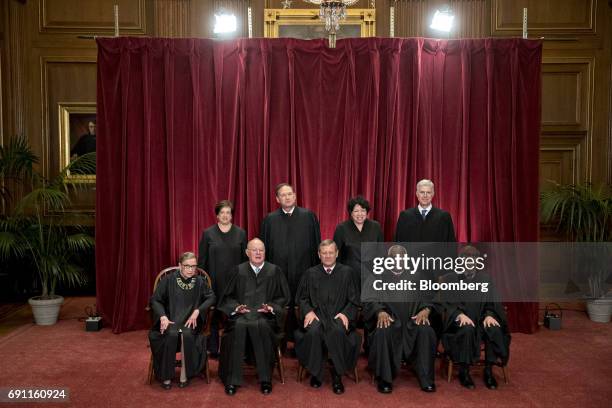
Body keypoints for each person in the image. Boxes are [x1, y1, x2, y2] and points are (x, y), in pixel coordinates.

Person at [218, 238, 290, 396]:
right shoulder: (238, 270)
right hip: (241, 317)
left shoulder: (274, 271)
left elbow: (283, 298)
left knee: (263, 326)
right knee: (238, 327)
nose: (258, 253)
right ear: (247, 252)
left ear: (265, 252)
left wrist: (271, 307)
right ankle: (232, 379)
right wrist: (236, 308)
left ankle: (266, 379)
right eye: (254, 250)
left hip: (264, 318)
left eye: (261, 250)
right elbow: (227, 297)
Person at [364, 245, 439, 394]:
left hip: (412, 322)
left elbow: (429, 297)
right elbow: (369, 300)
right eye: (394, 259)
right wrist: (379, 311)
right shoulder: (377, 276)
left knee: (427, 331)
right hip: (390, 321)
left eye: (401, 259)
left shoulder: (416, 276)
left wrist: (426, 310)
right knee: (382, 331)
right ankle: (385, 379)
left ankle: (426, 379)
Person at [294, 240, 361, 394]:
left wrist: (345, 313)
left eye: (331, 252)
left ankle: (337, 375)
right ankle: (316, 373)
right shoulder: (310, 273)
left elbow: (354, 300)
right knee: (314, 331)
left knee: (337, 331)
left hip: (338, 315)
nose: (328, 255)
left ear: (337, 253)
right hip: (317, 316)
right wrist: (308, 311)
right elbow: (301, 299)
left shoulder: (347, 272)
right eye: (324, 253)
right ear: (319, 255)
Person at [441, 246, 511, 390]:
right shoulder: (450, 279)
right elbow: (446, 304)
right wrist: (459, 315)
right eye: (466, 259)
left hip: (481, 320)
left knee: (493, 328)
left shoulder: (486, 280)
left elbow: (492, 303)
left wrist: (490, 315)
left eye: (473, 260)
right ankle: (464, 371)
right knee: (467, 329)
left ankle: (488, 370)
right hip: (459, 323)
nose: (470, 263)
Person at [260, 182, 321, 347]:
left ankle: (301, 342)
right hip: (278, 274)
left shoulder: (309, 216)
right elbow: (263, 249)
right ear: (277, 199)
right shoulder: (269, 220)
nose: (287, 197)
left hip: (304, 271)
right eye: (283, 195)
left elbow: (317, 245)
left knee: (302, 305)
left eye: (289, 194)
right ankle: (279, 341)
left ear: (295, 196)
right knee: (279, 305)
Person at [148, 252, 216, 390]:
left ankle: (184, 374)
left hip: (190, 322)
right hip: (171, 319)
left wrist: (198, 311)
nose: (191, 269)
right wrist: (162, 316)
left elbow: (212, 298)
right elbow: (155, 300)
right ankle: (166, 375)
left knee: (187, 334)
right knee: (171, 334)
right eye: (187, 266)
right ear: (180, 266)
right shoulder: (168, 280)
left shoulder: (200, 281)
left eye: (194, 266)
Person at [197, 200, 247, 357]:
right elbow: (202, 260)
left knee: (234, 316)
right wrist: (204, 283)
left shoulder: (241, 233)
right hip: (213, 282)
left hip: (234, 283)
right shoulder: (208, 233)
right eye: (222, 212)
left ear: (231, 215)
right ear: (217, 215)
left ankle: (231, 347)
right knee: (213, 316)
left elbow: (245, 261)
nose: (225, 215)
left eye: (228, 212)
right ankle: (213, 349)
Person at [333, 196, 384, 291]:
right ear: (351, 213)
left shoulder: (375, 226)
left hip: (372, 275)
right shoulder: (341, 228)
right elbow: (337, 255)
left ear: (367, 212)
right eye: (356, 211)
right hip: (349, 275)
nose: (360, 214)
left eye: (363, 210)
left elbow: (380, 252)